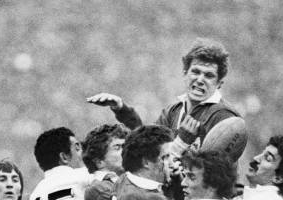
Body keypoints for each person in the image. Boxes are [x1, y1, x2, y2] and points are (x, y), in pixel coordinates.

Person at [87, 38, 242, 161]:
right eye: (195, 72)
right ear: (185, 73)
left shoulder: (225, 118)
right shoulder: (172, 111)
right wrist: (121, 108)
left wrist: (182, 145)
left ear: (219, 83)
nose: (200, 79)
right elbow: (146, 146)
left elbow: (217, 173)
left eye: (208, 75)